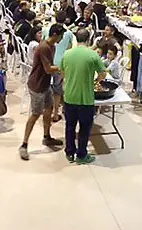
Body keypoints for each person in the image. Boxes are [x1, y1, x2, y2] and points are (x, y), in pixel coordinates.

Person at [19, 24, 65, 160]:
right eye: (61, 36)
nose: (62, 38)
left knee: (49, 109)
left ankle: (47, 136)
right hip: (37, 85)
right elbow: (47, 69)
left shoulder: (53, 46)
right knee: (35, 114)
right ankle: (24, 145)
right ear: (55, 34)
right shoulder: (44, 47)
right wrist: (63, 68)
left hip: (45, 84)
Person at [61, 28, 107, 164]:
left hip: (69, 96)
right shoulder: (93, 55)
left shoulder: (67, 54)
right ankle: (81, 155)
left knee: (70, 126)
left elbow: (62, 73)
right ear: (88, 40)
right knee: (84, 128)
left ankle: (69, 152)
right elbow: (103, 74)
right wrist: (95, 81)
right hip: (86, 98)